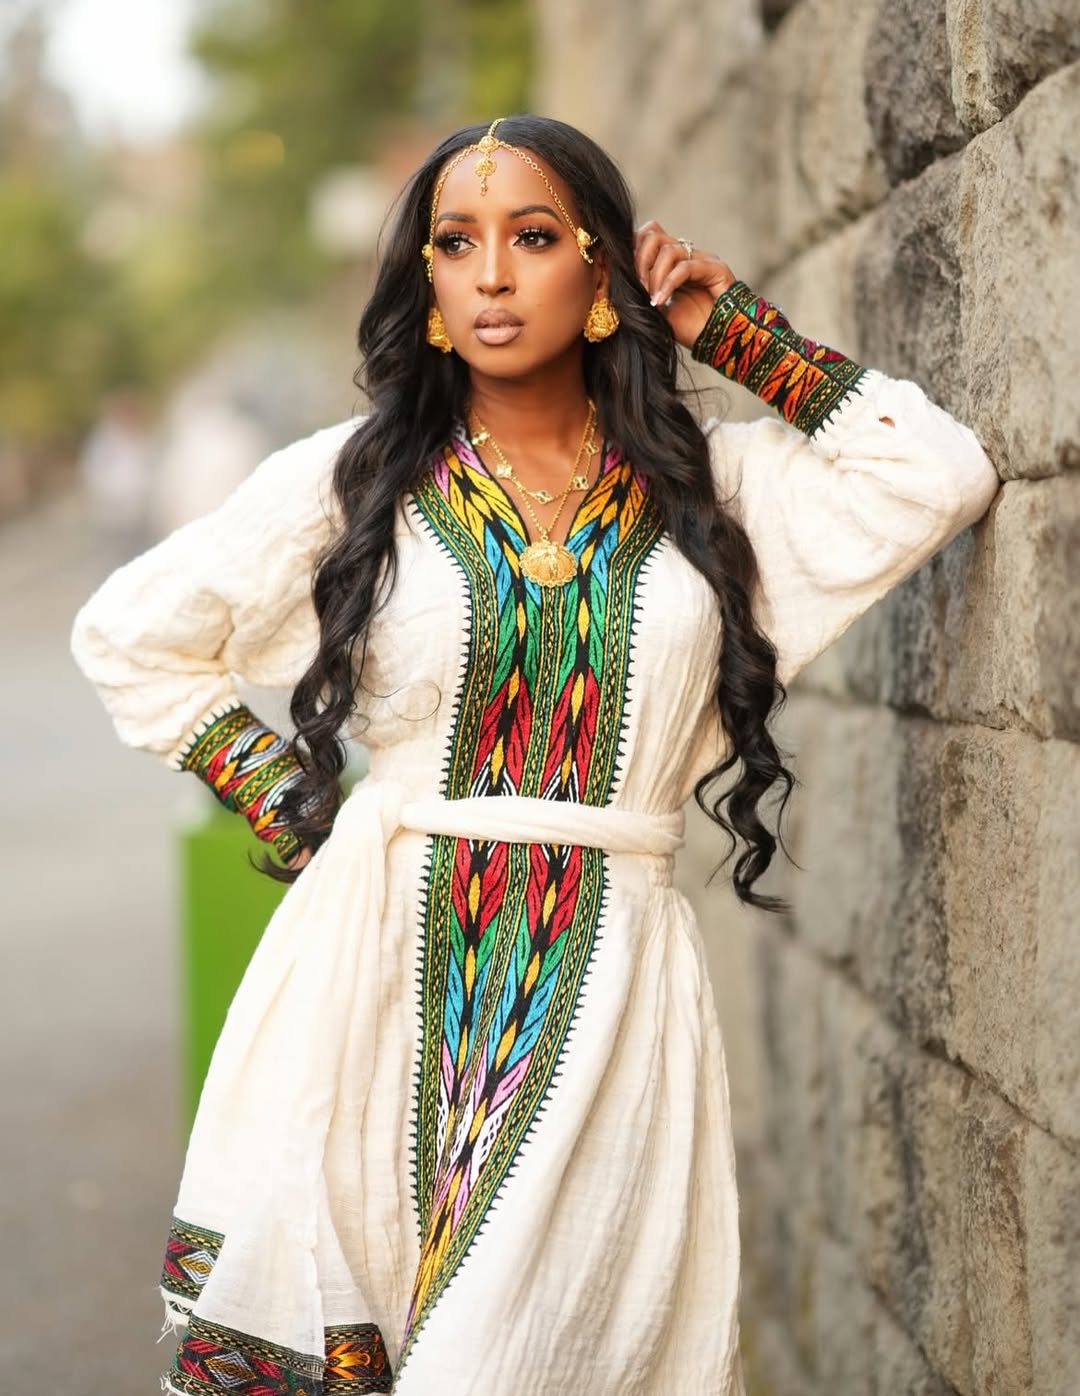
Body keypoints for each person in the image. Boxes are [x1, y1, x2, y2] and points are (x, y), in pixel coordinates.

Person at [70, 115, 1001, 1396]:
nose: (494, 274)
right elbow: (129, 634)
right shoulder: (357, 486)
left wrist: (735, 330)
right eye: (458, 243)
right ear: (432, 292)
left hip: (608, 998)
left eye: (536, 237)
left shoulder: (713, 491)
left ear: (603, 272)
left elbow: (938, 475)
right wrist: (292, 802)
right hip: (377, 980)